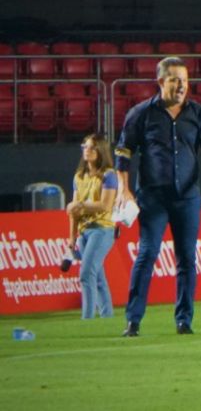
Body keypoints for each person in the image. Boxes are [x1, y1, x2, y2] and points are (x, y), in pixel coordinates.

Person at [115, 56, 201, 337]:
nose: (181, 86)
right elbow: (123, 153)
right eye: (175, 80)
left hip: (187, 198)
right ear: (161, 81)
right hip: (152, 198)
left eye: (185, 81)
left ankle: (184, 320)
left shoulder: (198, 114)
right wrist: (124, 189)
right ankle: (133, 320)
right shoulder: (141, 114)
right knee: (147, 254)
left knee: (187, 258)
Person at [64, 134, 118, 319]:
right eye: (85, 146)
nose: (87, 150)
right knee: (99, 278)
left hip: (102, 229)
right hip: (84, 231)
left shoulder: (109, 175)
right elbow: (73, 211)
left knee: (86, 274)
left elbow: (105, 205)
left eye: (92, 147)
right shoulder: (79, 176)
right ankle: (106, 317)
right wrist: (72, 237)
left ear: (100, 151)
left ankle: (87, 318)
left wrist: (80, 205)